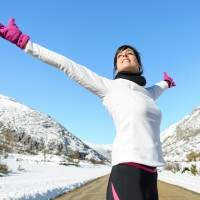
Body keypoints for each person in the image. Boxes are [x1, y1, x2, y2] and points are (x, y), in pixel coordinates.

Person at [0, 18, 176, 200]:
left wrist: (166, 83)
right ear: (116, 67)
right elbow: (67, 65)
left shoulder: (146, 94)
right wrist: (25, 43)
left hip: (151, 174)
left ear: (139, 65)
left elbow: (158, 88)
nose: (124, 55)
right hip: (127, 171)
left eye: (129, 53)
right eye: (119, 55)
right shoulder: (110, 87)